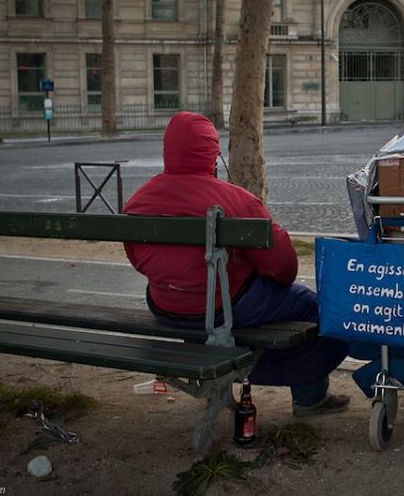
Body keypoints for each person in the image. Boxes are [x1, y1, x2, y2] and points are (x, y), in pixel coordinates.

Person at [123, 111, 349, 417]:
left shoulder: (139, 200)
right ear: (212, 153)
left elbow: (137, 259)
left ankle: (226, 375)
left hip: (165, 307)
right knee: (315, 309)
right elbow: (283, 267)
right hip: (228, 306)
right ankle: (309, 398)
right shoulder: (237, 200)